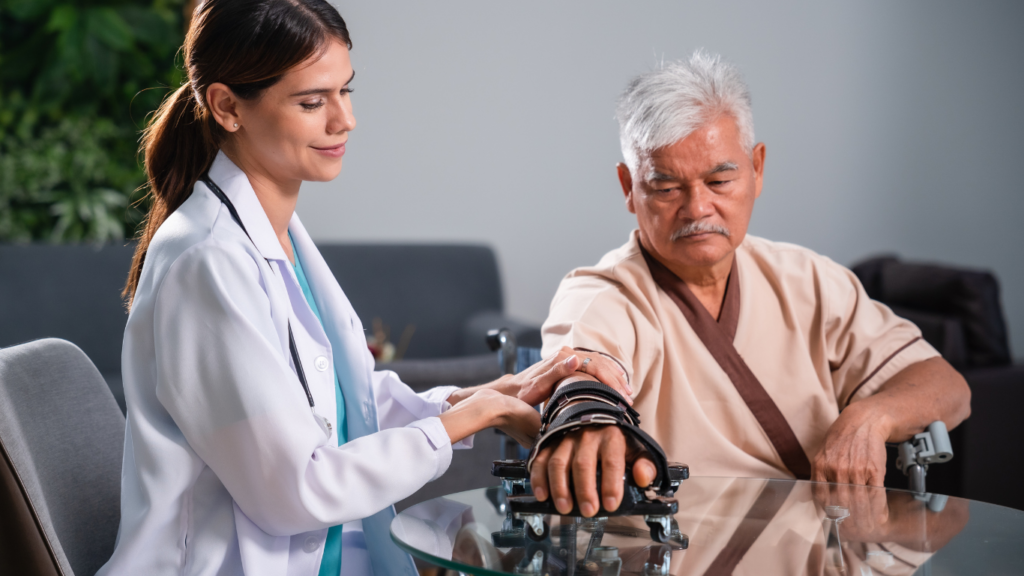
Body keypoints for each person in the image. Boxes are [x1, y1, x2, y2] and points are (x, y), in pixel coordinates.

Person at [98, 2, 629, 574]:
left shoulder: (272, 234)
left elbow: (327, 405)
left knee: (487, 545)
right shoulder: (207, 262)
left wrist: (483, 397)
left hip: (304, 551)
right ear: (229, 107)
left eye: (345, 91)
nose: (343, 120)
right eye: (312, 102)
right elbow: (295, 490)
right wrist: (467, 421)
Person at [529, 50, 971, 518]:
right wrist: (586, 414)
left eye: (720, 179)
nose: (698, 208)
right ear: (628, 188)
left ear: (756, 168)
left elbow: (947, 388)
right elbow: (583, 373)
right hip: (678, 557)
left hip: (819, 551)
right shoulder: (602, 294)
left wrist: (869, 416)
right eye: (666, 187)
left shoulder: (809, 280)